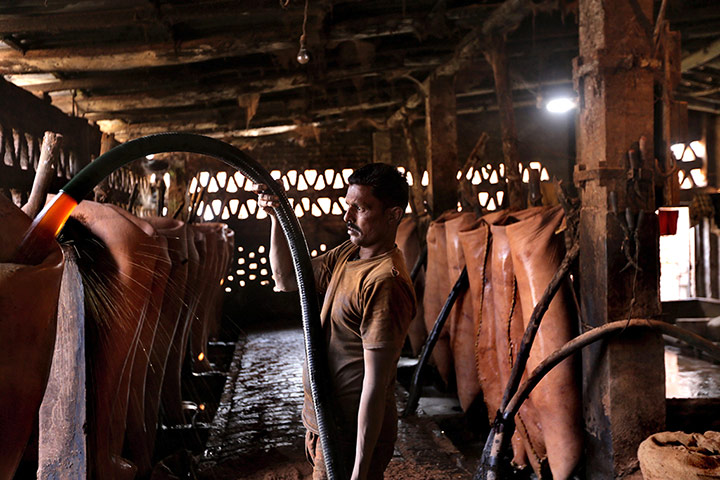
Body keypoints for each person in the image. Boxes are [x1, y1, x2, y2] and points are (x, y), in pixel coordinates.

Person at [254, 163, 416, 480]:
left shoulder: (385, 282)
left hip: (347, 435)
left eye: (361, 208)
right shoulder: (347, 255)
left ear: (393, 215)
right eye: (348, 206)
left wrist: (359, 470)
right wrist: (276, 217)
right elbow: (286, 278)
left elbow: (375, 384)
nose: (347, 217)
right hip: (323, 425)